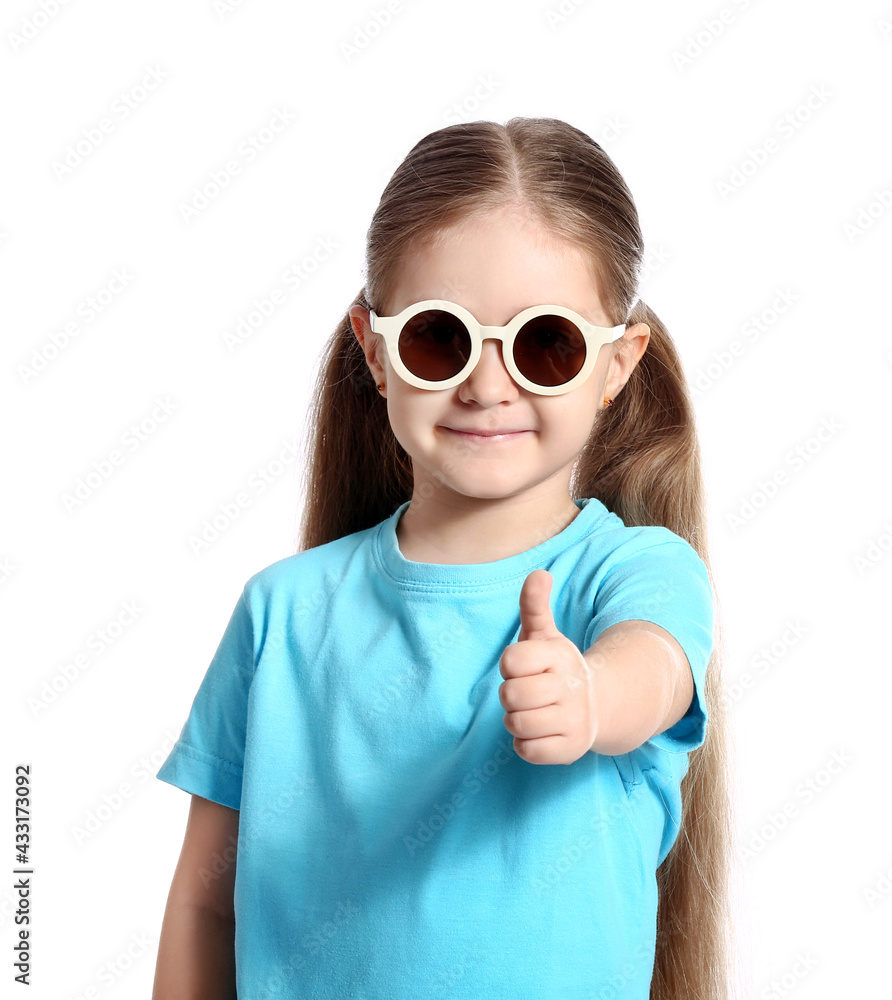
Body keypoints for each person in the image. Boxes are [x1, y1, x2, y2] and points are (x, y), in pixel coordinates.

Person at [151, 117, 735, 1000]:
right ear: (375, 351)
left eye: (546, 344)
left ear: (617, 366)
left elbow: (653, 668)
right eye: (440, 337)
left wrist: (589, 695)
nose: (487, 384)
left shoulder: (633, 575)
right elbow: (206, 906)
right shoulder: (282, 612)